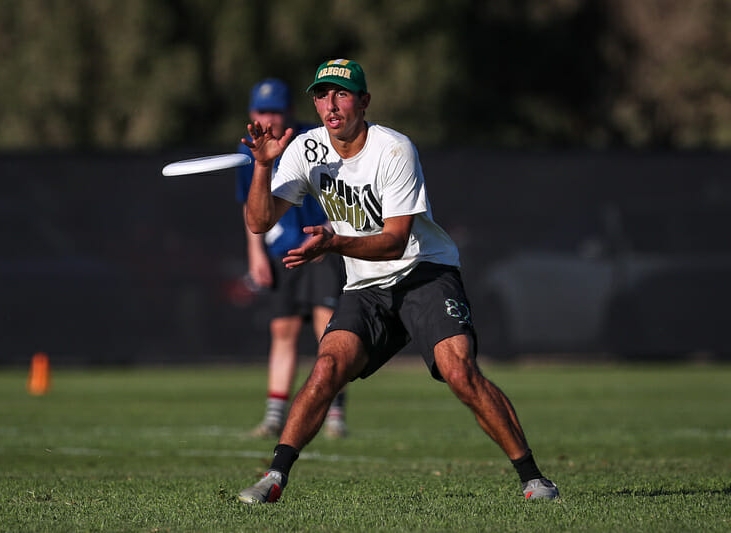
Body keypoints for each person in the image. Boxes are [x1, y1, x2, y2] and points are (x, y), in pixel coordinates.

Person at [236, 59, 560, 504]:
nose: (331, 105)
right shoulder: (304, 149)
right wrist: (261, 167)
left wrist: (333, 243)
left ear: (364, 102)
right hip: (365, 286)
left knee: (458, 372)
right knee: (327, 368)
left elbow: (395, 241)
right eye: (321, 94)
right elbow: (259, 221)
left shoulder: (394, 150)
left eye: (342, 94)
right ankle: (273, 477)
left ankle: (533, 478)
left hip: (424, 272)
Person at [236, 78, 348, 439]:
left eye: (275, 111)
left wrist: (332, 230)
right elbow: (249, 206)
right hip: (279, 251)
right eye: (261, 110)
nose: (268, 118)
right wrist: (255, 252)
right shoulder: (250, 148)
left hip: (321, 249)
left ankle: (334, 414)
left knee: (328, 331)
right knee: (282, 330)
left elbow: (343, 185)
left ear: (289, 112)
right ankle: (273, 416)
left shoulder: (315, 140)